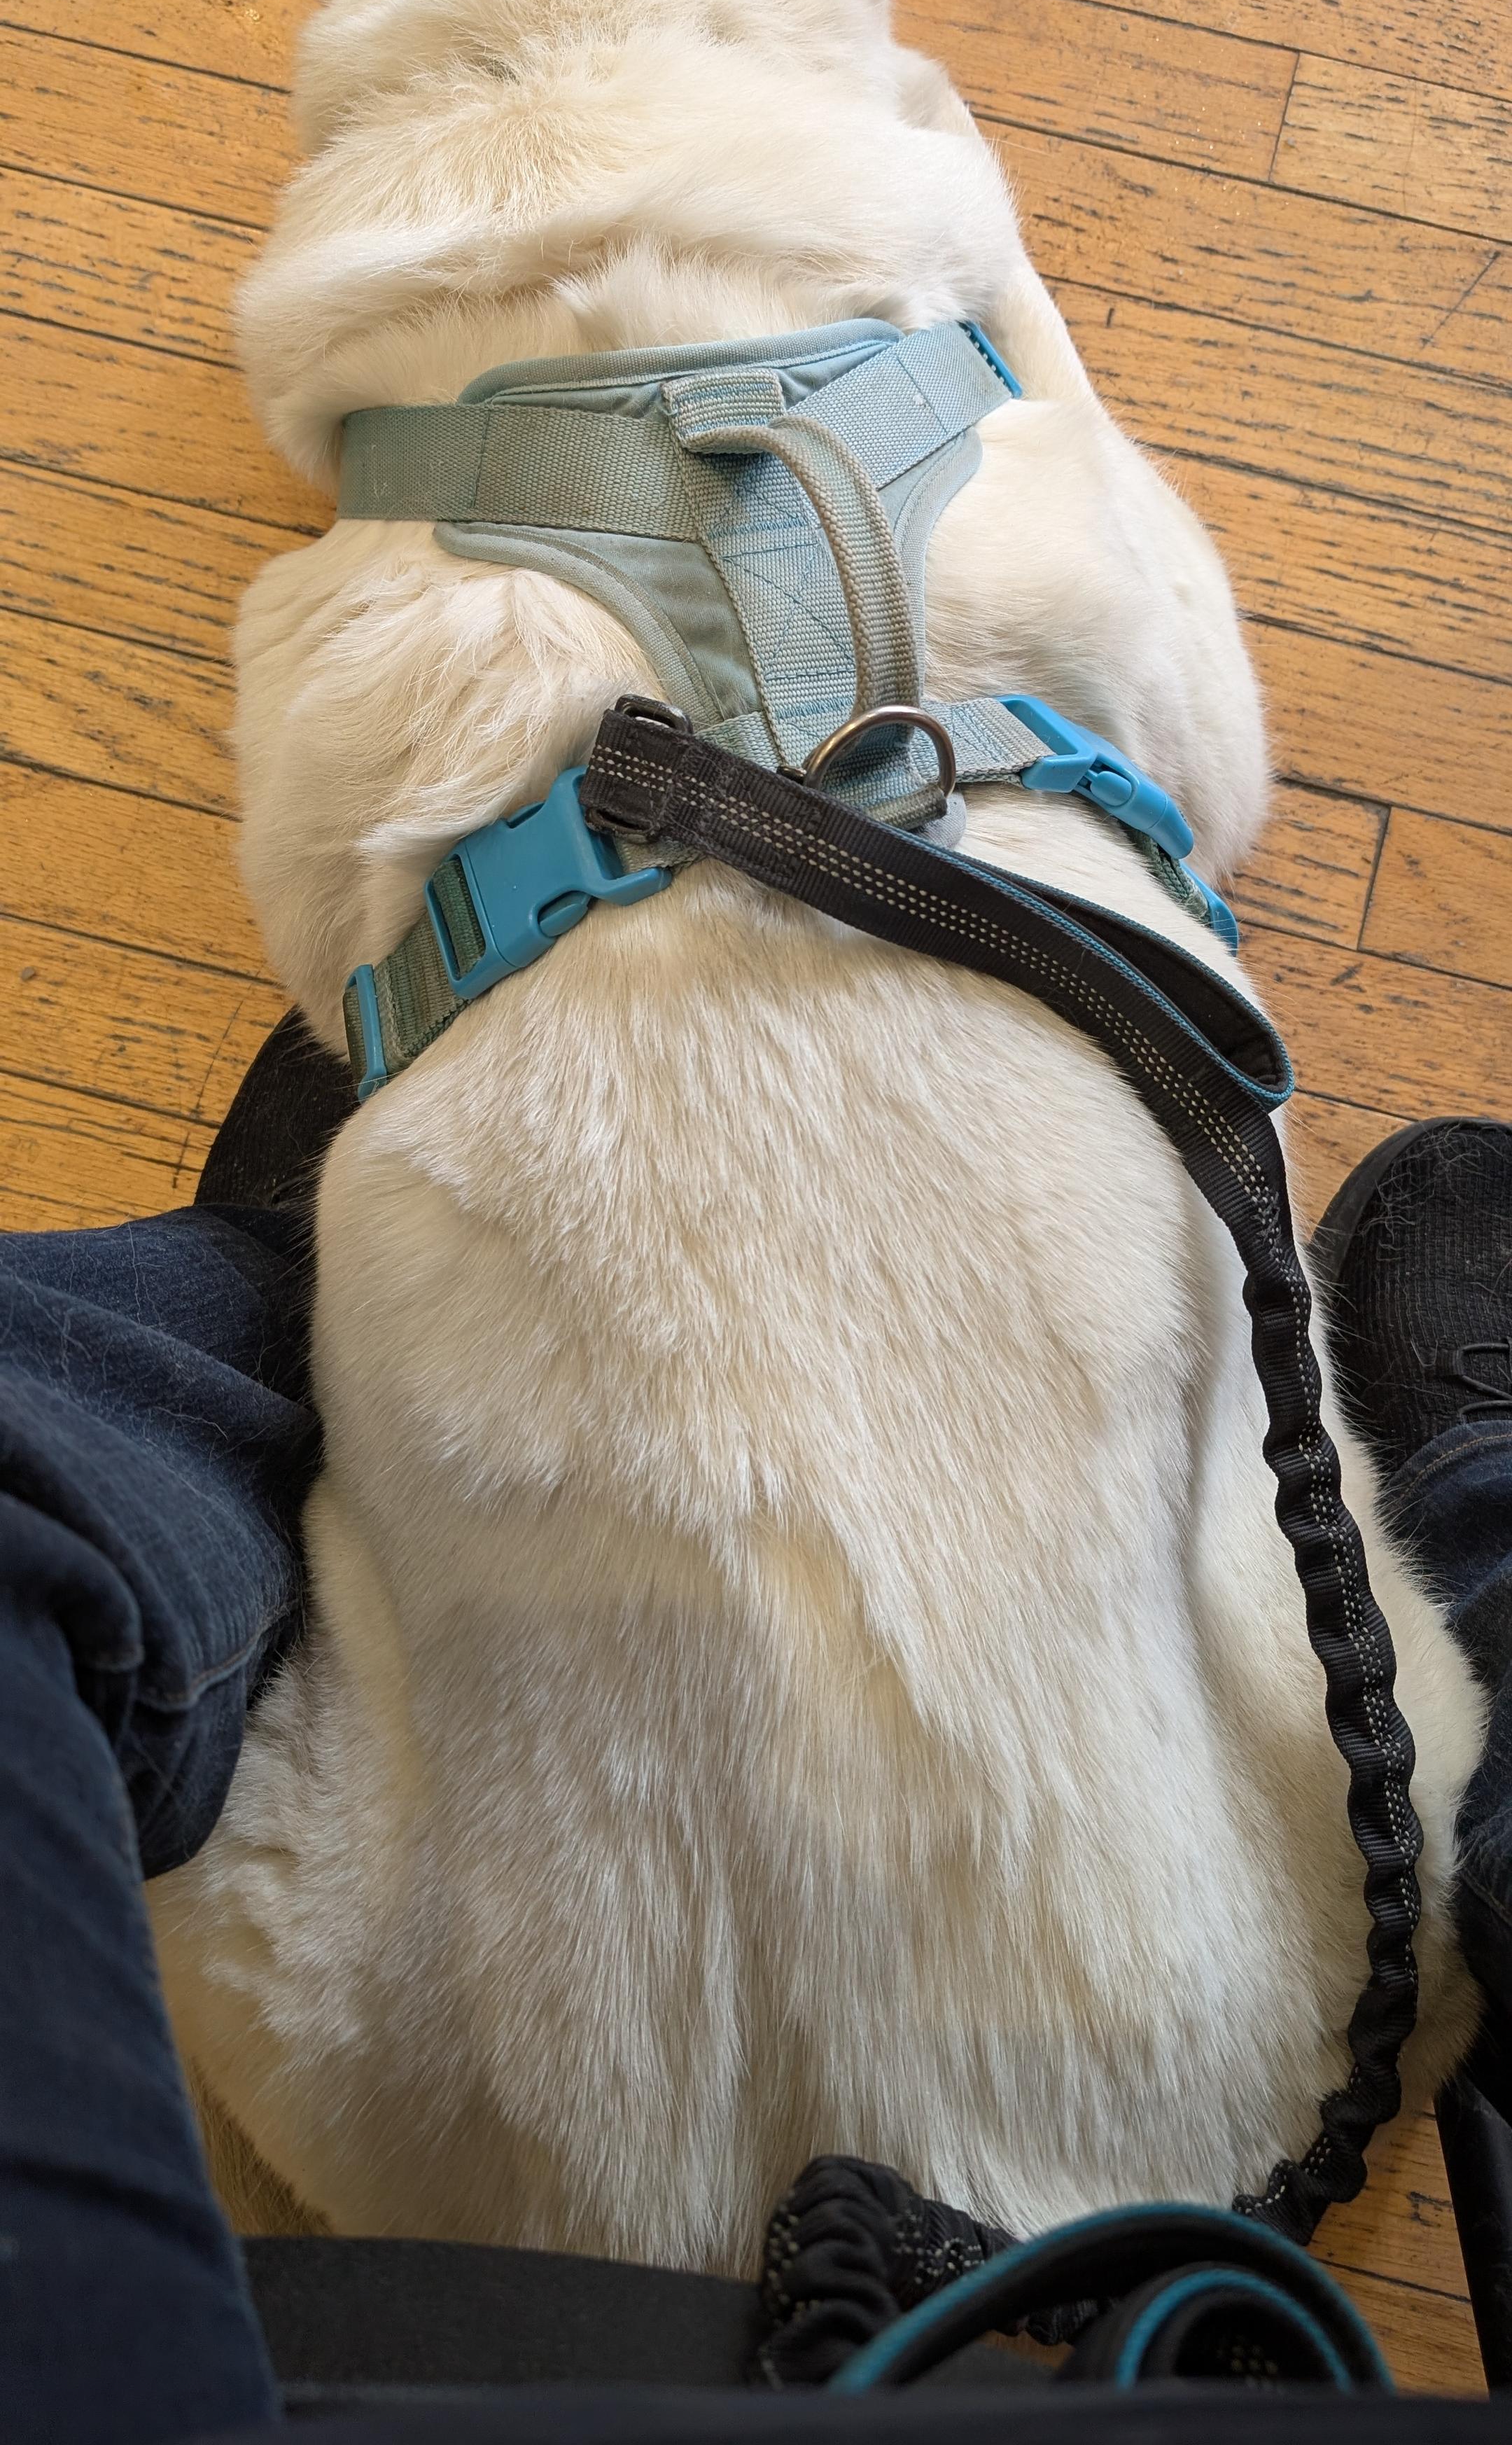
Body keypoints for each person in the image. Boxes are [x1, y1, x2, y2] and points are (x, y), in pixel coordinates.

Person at [3, 1030, 1510, 2444]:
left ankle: (254, 1345)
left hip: (464, 2187)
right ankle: (1481, 1504)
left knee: (88, 1447)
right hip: (1223, 2133)